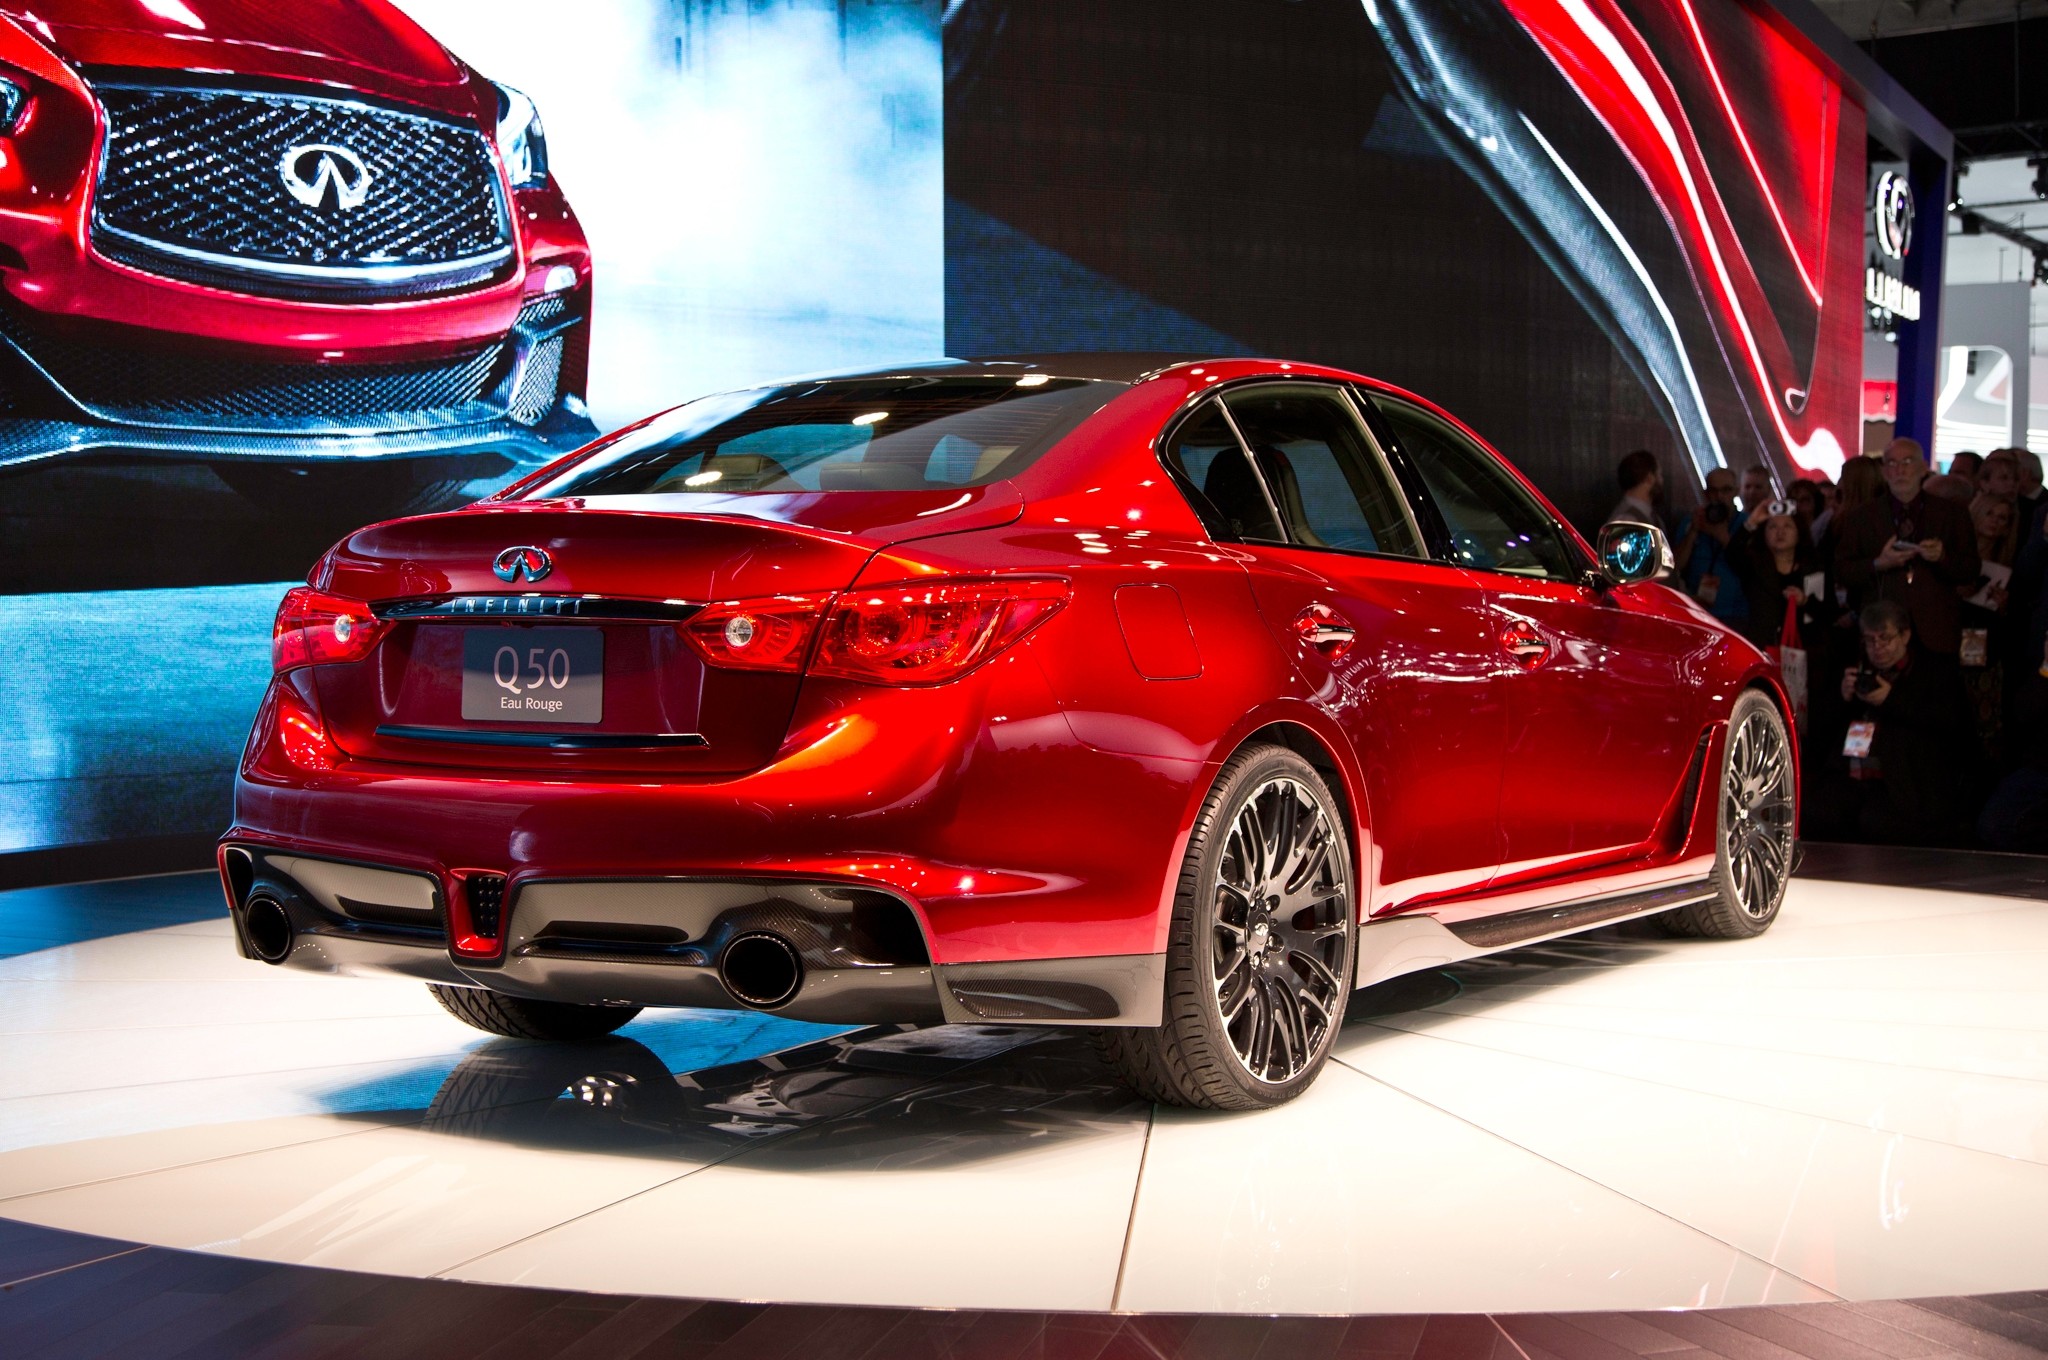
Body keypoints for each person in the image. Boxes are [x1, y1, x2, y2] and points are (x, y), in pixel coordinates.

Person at [1810, 600, 1974, 844]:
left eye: (1885, 638)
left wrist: (1891, 699)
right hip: (1854, 770)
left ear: (1905, 636)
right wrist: (1842, 697)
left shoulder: (1933, 670)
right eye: (1870, 640)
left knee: (1877, 821)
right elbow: (1820, 727)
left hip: (1905, 779)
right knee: (1819, 812)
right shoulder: (1856, 667)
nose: (1877, 648)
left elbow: (1949, 723)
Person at [1833, 438, 1980, 655]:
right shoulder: (1861, 517)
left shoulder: (1951, 513)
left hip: (1937, 630)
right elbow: (1842, 571)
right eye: (1892, 463)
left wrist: (1942, 557)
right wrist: (1878, 564)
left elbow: (1971, 569)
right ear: (1884, 472)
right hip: (1881, 631)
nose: (1900, 470)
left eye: (1908, 462)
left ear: (1923, 468)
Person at [1730, 497, 1831, 649]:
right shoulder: (1754, 567)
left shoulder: (1815, 567)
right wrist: (1751, 522)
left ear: (1799, 532)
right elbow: (1732, 553)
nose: (1780, 532)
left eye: (1788, 526)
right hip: (1764, 645)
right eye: (1772, 527)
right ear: (1764, 533)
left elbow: (1829, 611)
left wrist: (1805, 601)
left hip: (1807, 648)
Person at [1977, 634, 2048, 850]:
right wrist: (2046, 669)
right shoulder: (2042, 674)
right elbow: (2022, 713)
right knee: (1992, 824)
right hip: (2040, 769)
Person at [1675, 467, 1750, 630]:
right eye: (1714, 491)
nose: (1719, 496)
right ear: (1706, 493)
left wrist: (1722, 536)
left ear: (1736, 492)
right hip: (1698, 613)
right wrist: (1693, 532)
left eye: (1726, 490)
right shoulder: (1692, 522)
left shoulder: (1748, 525)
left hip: (1737, 615)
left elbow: (1752, 569)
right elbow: (1676, 566)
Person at [1605, 449, 1662, 528]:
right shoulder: (1627, 521)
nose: (1661, 480)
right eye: (1659, 475)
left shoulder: (1653, 516)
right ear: (1649, 478)